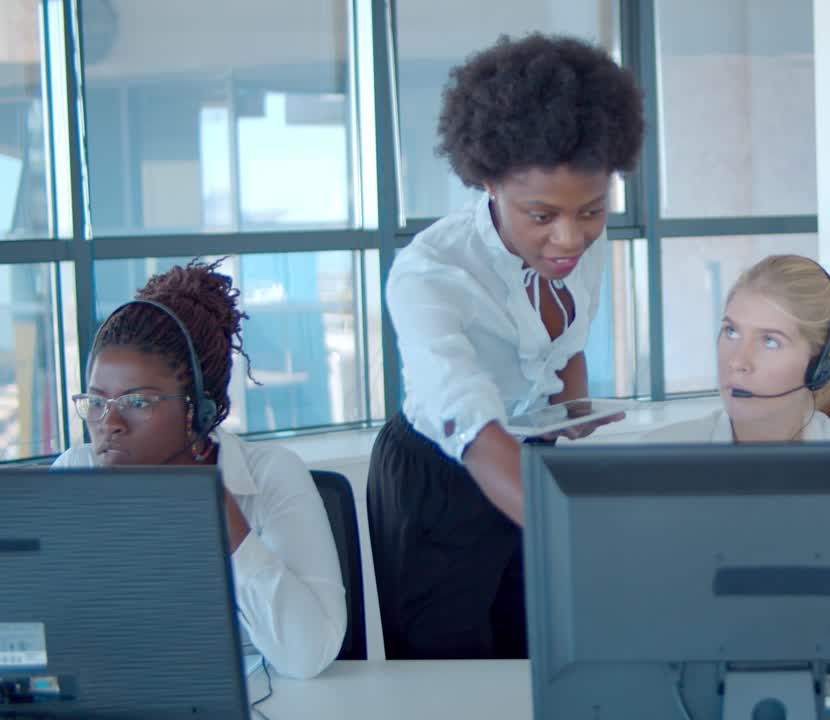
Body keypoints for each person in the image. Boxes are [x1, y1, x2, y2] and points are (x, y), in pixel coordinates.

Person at [366, 33, 644, 660]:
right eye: (541, 216)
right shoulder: (430, 273)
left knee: (539, 656)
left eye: (593, 210)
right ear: (488, 180)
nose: (570, 238)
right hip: (444, 474)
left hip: (532, 457)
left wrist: (571, 409)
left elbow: (565, 347)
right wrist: (596, 542)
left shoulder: (583, 243)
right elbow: (474, 428)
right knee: (455, 678)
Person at [52, 259, 347, 679]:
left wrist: (221, 515)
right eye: (97, 402)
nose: (109, 424)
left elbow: (307, 654)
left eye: (138, 402)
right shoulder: (74, 478)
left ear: (200, 411)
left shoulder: (270, 478)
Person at [634, 254, 830, 443]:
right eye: (732, 332)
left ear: (820, 364)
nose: (737, 362)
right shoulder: (656, 459)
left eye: (770, 341)